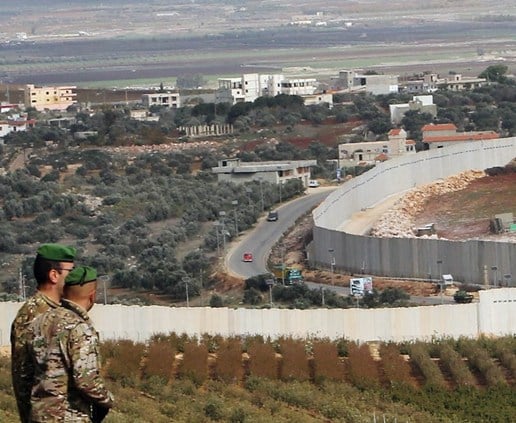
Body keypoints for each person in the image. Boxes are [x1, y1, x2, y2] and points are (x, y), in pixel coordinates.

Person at [29, 265, 114, 422]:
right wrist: (108, 400)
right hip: (69, 417)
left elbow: (26, 371)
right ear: (92, 296)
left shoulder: (39, 322)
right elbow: (86, 381)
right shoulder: (80, 328)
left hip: (39, 416)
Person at [10, 243, 77, 423]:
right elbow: (23, 375)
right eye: (71, 271)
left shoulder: (58, 310)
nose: (75, 277)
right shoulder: (33, 314)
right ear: (54, 275)